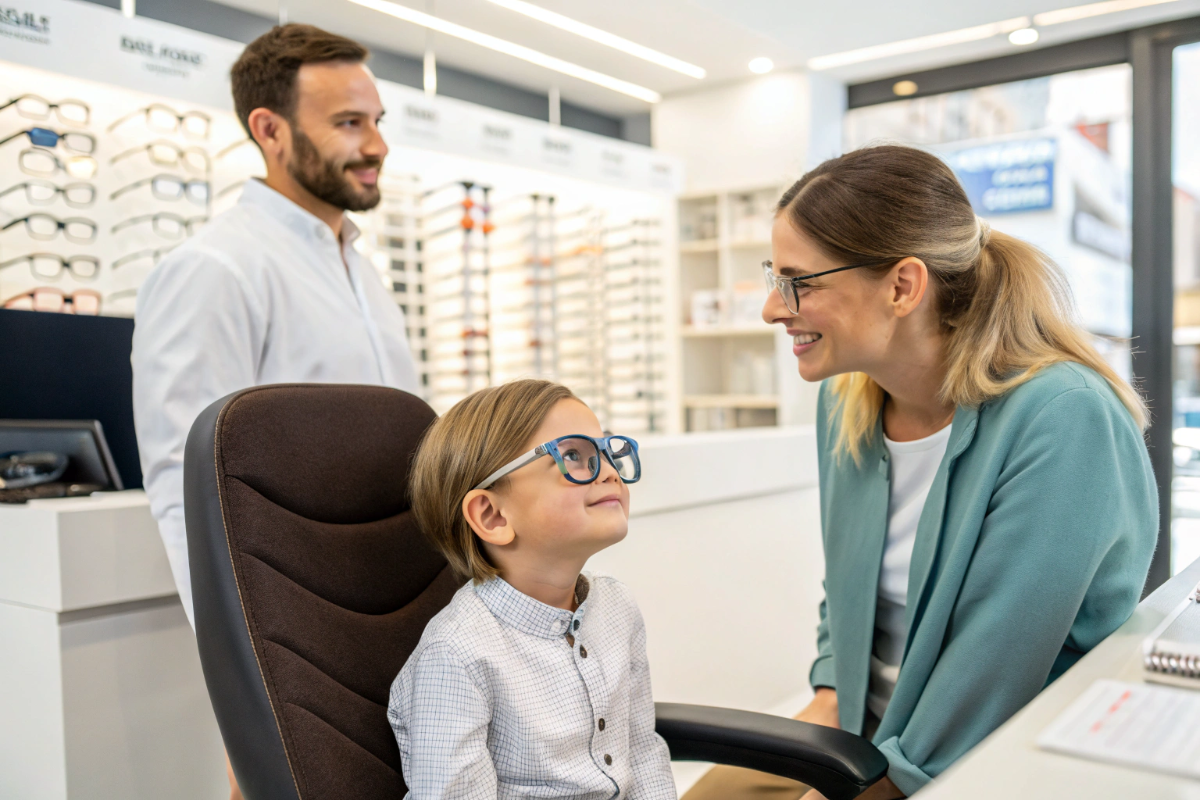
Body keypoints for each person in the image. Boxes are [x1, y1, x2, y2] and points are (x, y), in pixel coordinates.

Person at [683, 145, 1157, 800]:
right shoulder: (846, 403)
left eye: (800, 282)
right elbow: (847, 593)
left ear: (903, 286)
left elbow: (993, 676)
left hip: (990, 759)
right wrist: (828, 698)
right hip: (863, 732)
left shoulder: (1062, 417)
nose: (771, 308)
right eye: (775, 276)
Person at [131, 24, 419, 800]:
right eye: (349, 123)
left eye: (378, 122)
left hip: (396, 615)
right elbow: (183, 490)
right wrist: (251, 675)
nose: (376, 145)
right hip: (296, 644)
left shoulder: (364, 275)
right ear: (270, 129)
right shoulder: (214, 272)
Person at [389, 379, 676, 800]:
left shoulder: (617, 608)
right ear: (492, 515)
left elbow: (643, 753)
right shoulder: (456, 655)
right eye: (574, 456)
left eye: (606, 452)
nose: (611, 472)